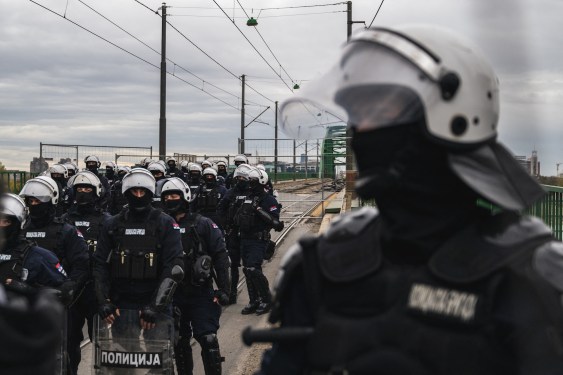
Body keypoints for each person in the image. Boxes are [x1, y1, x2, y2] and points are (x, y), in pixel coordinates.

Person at [251, 25, 563, 374]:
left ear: (456, 118)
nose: (360, 133)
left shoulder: (535, 281)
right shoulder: (321, 265)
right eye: (357, 116)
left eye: (380, 112)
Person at [92, 168, 184, 356]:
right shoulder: (113, 224)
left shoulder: (165, 223)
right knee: (123, 357)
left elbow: (174, 267)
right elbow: (100, 264)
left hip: (154, 301)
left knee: (160, 359)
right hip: (122, 302)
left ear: (151, 193)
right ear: (127, 193)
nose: (139, 196)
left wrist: (156, 306)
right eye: (135, 192)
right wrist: (103, 301)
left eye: (143, 192)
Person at [19, 176, 90, 375]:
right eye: (30, 201)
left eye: (38, 201)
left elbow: (81, 264)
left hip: (61, 303)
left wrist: (70, 287)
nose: (34, 205)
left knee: (67, 352)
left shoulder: (67, 231)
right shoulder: (21, 230)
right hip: (24, 302)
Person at [160, 178, 230, 375]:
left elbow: (220, 256)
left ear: (185, 197)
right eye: (166, 196)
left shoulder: (203, 224)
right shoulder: (161, 225)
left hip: (201, 292)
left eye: (174, 195)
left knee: (208, 339)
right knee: (179, 342)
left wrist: (224, 289)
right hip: (172, 295)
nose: (170, 199)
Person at [0, 192, 67, 375]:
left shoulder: (39, 256)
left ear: (18, 223)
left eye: (5, 221)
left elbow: (62, 292)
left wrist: (27, 291)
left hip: (23, 340)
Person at [62, 170, 111, 373]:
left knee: (101, 342)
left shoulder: (107, 221)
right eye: (79, 189)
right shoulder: (64, 220)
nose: (83, 192)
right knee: (69, 341)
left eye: (87, 189)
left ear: (96, 191)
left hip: (96, 290)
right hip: (72, 290)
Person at [218, 163, 253, 305]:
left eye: (243, 178)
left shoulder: (253, 192)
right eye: (238, 177)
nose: (240, 180)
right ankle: (232, 293)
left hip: (248, 233)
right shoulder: (231, 192)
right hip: (233, 233)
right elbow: (221, 208)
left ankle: (253, 297)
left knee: (249, 266)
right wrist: (225, 225)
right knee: (233, 265)